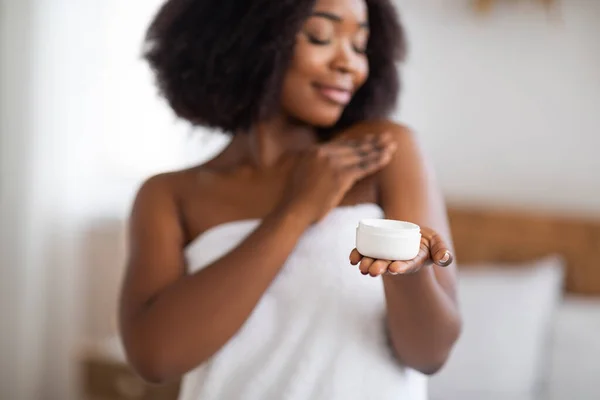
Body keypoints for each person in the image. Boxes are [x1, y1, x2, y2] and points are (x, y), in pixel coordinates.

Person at [118, 0, 462, 399]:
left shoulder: (384, 153)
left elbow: (430, 354)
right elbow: (155, 358)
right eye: (321, 36)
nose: (350, 65)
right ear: (246, 37)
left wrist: (411, 274)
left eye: (360, 45)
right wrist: (296, 211)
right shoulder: (169, 195)